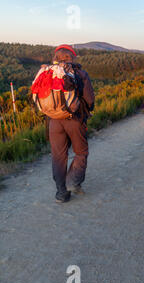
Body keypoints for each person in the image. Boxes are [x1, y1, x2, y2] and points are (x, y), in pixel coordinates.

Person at [48, 45, 95, 203]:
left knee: (58, 157)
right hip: (75, 119)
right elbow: (89, 99)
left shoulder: (49, 72)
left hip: (54, 120)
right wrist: (88, 111)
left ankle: (61, 194)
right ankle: (73, 183)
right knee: (81, 152)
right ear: (72, 57)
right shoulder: (80, 73)